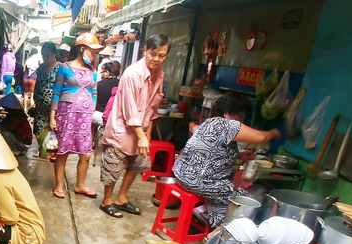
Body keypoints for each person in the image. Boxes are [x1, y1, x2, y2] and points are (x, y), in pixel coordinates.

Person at [173, 92, 280, 230]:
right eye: (240, 115)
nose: (240, 119)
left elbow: (212, 152)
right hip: (198, 183)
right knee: (248, 197)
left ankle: (217, 226)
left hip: (182, 176)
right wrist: (274, 132)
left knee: (223, 191)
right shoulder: (228, 125)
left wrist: (241, 155)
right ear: (230, 112)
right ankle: (226, 232)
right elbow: (261, 138)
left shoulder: (208, 123)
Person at [99, 35, 169, 218]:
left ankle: (121, 198)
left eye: (161, 55)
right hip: (122, 130)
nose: (156, 59)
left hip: (141, 130)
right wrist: (142, 136)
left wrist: (148, 133)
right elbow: (130, 110)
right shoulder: (132, 74)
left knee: (136, 165)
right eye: (153, 54)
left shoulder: (159, 74)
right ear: (145, 51)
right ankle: (107, 201)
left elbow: (154, 107)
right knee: (114, 167)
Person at [49, 33, 103, 199]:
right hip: (66, 116)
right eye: (92, 51)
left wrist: (90, 111)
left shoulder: (93, 71)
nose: (94, 55)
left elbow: (94, 93)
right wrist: (52, 116)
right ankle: (59, 185)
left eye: (95, 52)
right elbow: (56, 93)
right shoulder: (65, 68)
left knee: (86, 154)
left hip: (84, 119)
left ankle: (80, 185)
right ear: (81, 49)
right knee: (62, 152)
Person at [33, 42, 60, 135]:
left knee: (51, 133)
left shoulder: (60, 68)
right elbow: (38, 82)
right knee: (39, 132)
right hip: (40, 107)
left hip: (54, 108)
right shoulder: (41, 67)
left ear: (54, 54)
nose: (45, 58)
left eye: (47, 55)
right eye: (43, 55)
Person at [92, 61, 120, 126]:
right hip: (115, 117)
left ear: (107, 73)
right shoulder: (121, 84)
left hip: (100, 115)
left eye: (102, 72)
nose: (101, 74)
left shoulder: (99, 85)